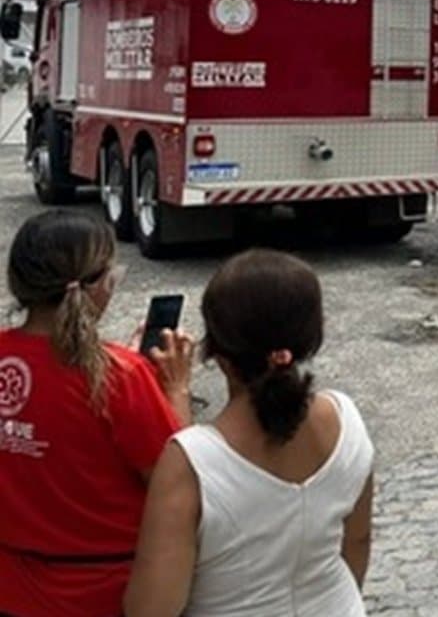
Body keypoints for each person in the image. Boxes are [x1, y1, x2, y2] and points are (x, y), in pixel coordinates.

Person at [125, 249, 375, 617]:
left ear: (216, 353)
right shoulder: (346, 418)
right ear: (311, 337)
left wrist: (174, 396)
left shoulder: (187, 463)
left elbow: (152, 608)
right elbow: (357, 542)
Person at [0, 209, 193, 617]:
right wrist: (175, 388)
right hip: (103, 594)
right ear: (95, 286)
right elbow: (176, 486)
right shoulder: (121, 376)